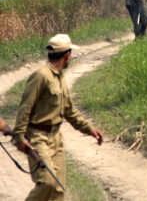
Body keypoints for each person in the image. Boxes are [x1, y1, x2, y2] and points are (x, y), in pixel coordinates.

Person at [13, 34, 103, 201]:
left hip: (56, 139)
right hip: (38, 138)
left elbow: (69, 111)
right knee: (47, 183)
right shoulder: (41, 76)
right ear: (67, 55)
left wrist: (89, 129)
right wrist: (19, 137)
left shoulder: (60, 77)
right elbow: (25, 107)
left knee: (58, 191)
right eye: (71, 54)